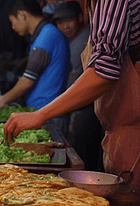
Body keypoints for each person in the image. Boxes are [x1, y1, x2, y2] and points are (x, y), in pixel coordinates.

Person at [4, 0, 140, 186]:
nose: (50, 2)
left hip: (134, 130)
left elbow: (104, 72)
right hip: (118, 129)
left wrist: (41, 114)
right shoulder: (93, 8)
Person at [0, 0, 70, 135]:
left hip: (48, 114)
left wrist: (1, 100)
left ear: (22, 15)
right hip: (44, 113)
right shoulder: (44, 34)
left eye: (12, 21)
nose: (13, 27)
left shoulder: (46, 36)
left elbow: (28, 80)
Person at [52, 0, 103, 171]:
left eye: (69, 20)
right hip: (81, 106)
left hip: (87, 107)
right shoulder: (72, 41)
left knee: (85, 157)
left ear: (81, 17)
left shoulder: (85, 39)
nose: (65, 26)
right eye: (60, 22)